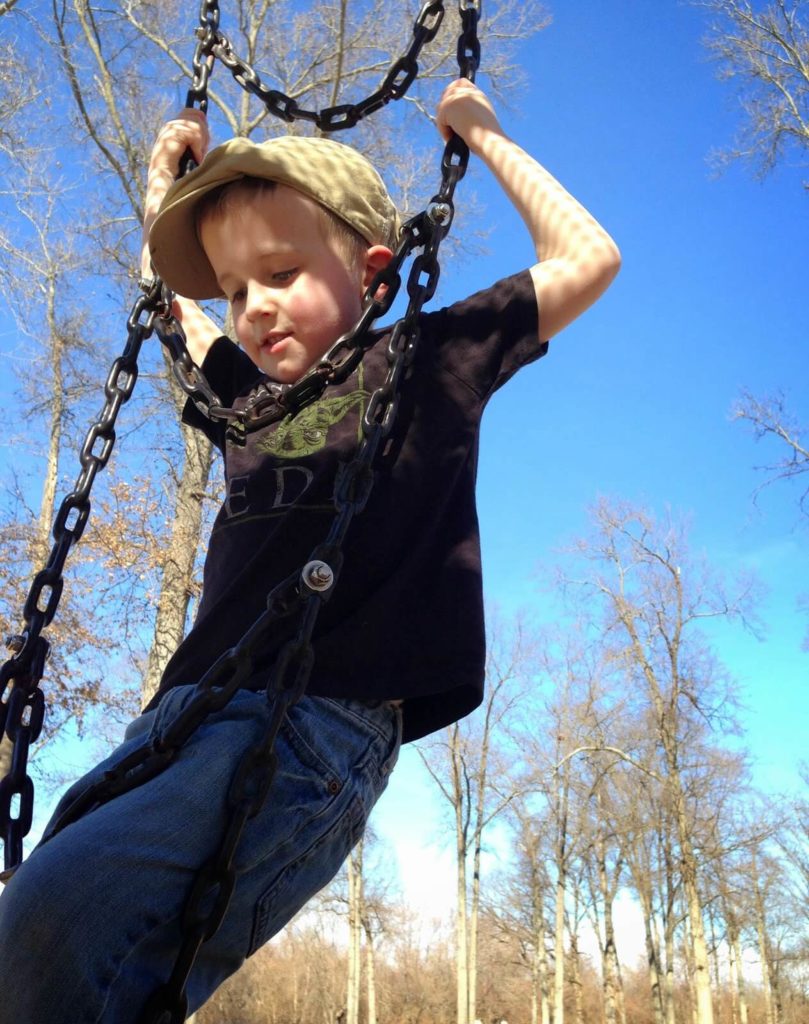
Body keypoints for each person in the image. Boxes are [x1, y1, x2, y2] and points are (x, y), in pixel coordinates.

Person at [0, 78, 620, 1022]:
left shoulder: (427, 360)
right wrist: (158, 187)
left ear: (374, 272)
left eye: (281, 273)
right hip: (180, 714)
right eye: (240, 288)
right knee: (44, 939)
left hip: (309, 721)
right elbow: (170, 303)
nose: (253, 306)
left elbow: (586, 257)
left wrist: (480, 132)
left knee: (58, 921)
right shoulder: (246, 400)